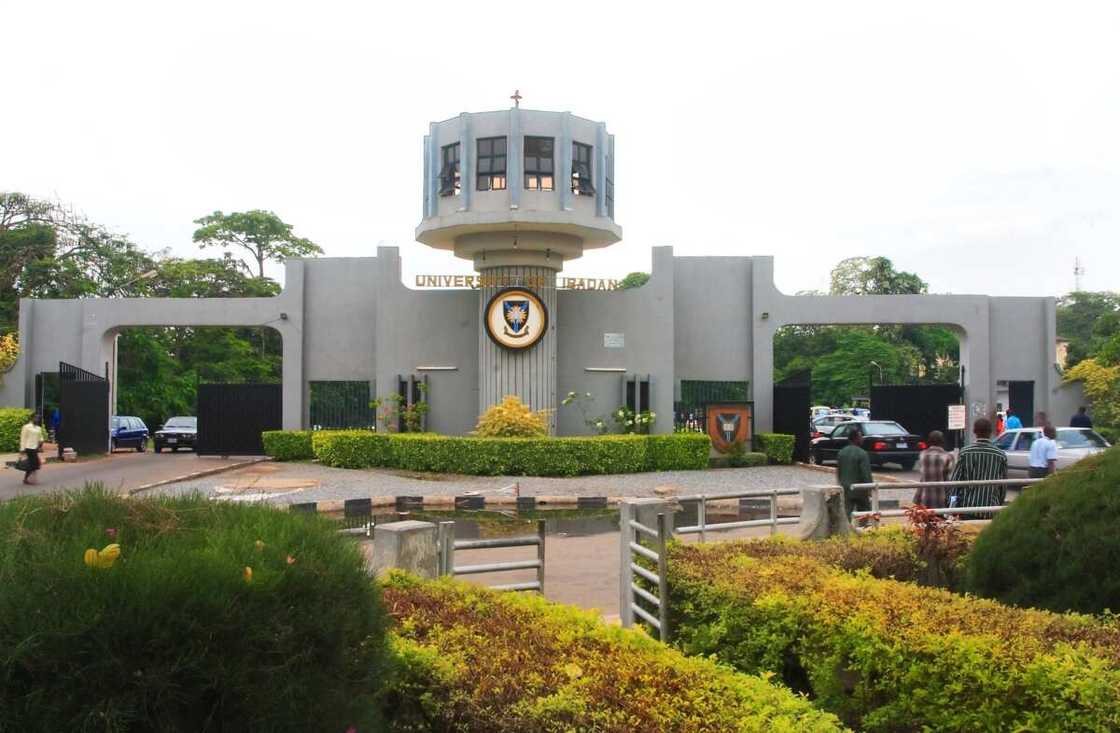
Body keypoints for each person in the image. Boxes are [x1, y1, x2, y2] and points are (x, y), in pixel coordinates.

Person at [949, 417, 1008, 519]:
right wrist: (999, 503)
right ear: (991, 432)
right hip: (991, 510)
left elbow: (955, 483)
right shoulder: (1000, 455)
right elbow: (1003, 486)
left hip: (967, 509)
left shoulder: (965, 452)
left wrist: (953, 507)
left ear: (974, 431)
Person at [836, 427, 873, 517]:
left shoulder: (841, 452)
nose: (862, 439)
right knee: (865, 512)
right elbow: (866, 474)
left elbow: (839, 471)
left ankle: (846, 530)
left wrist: (840, 483)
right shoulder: (862, 453)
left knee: (846, 513)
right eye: (860, 437)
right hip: (860, 489)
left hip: (845, 488)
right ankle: (862, 529)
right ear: (856, 439)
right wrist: (870, 488)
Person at [914, 430, 955, 508]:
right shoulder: (948, 456)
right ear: (942, 442)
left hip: (925, 498)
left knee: (926, 519)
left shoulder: (922, 455)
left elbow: (923, 474)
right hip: (941, 499)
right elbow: (948, 473)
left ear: (929, 441)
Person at [19, 414, 45, 485]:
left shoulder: (38, 428)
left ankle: (26, 479)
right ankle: (28, 479)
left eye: (38, 418)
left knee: (33, 464)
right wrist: (22, 449)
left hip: (35, 448)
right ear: (32, 418)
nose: (37, 419)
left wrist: (41, 444)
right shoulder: (26, 427)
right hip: (28, 447)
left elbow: (41, 438)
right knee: (34, 463)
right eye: (35, 418)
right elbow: (23, 438)